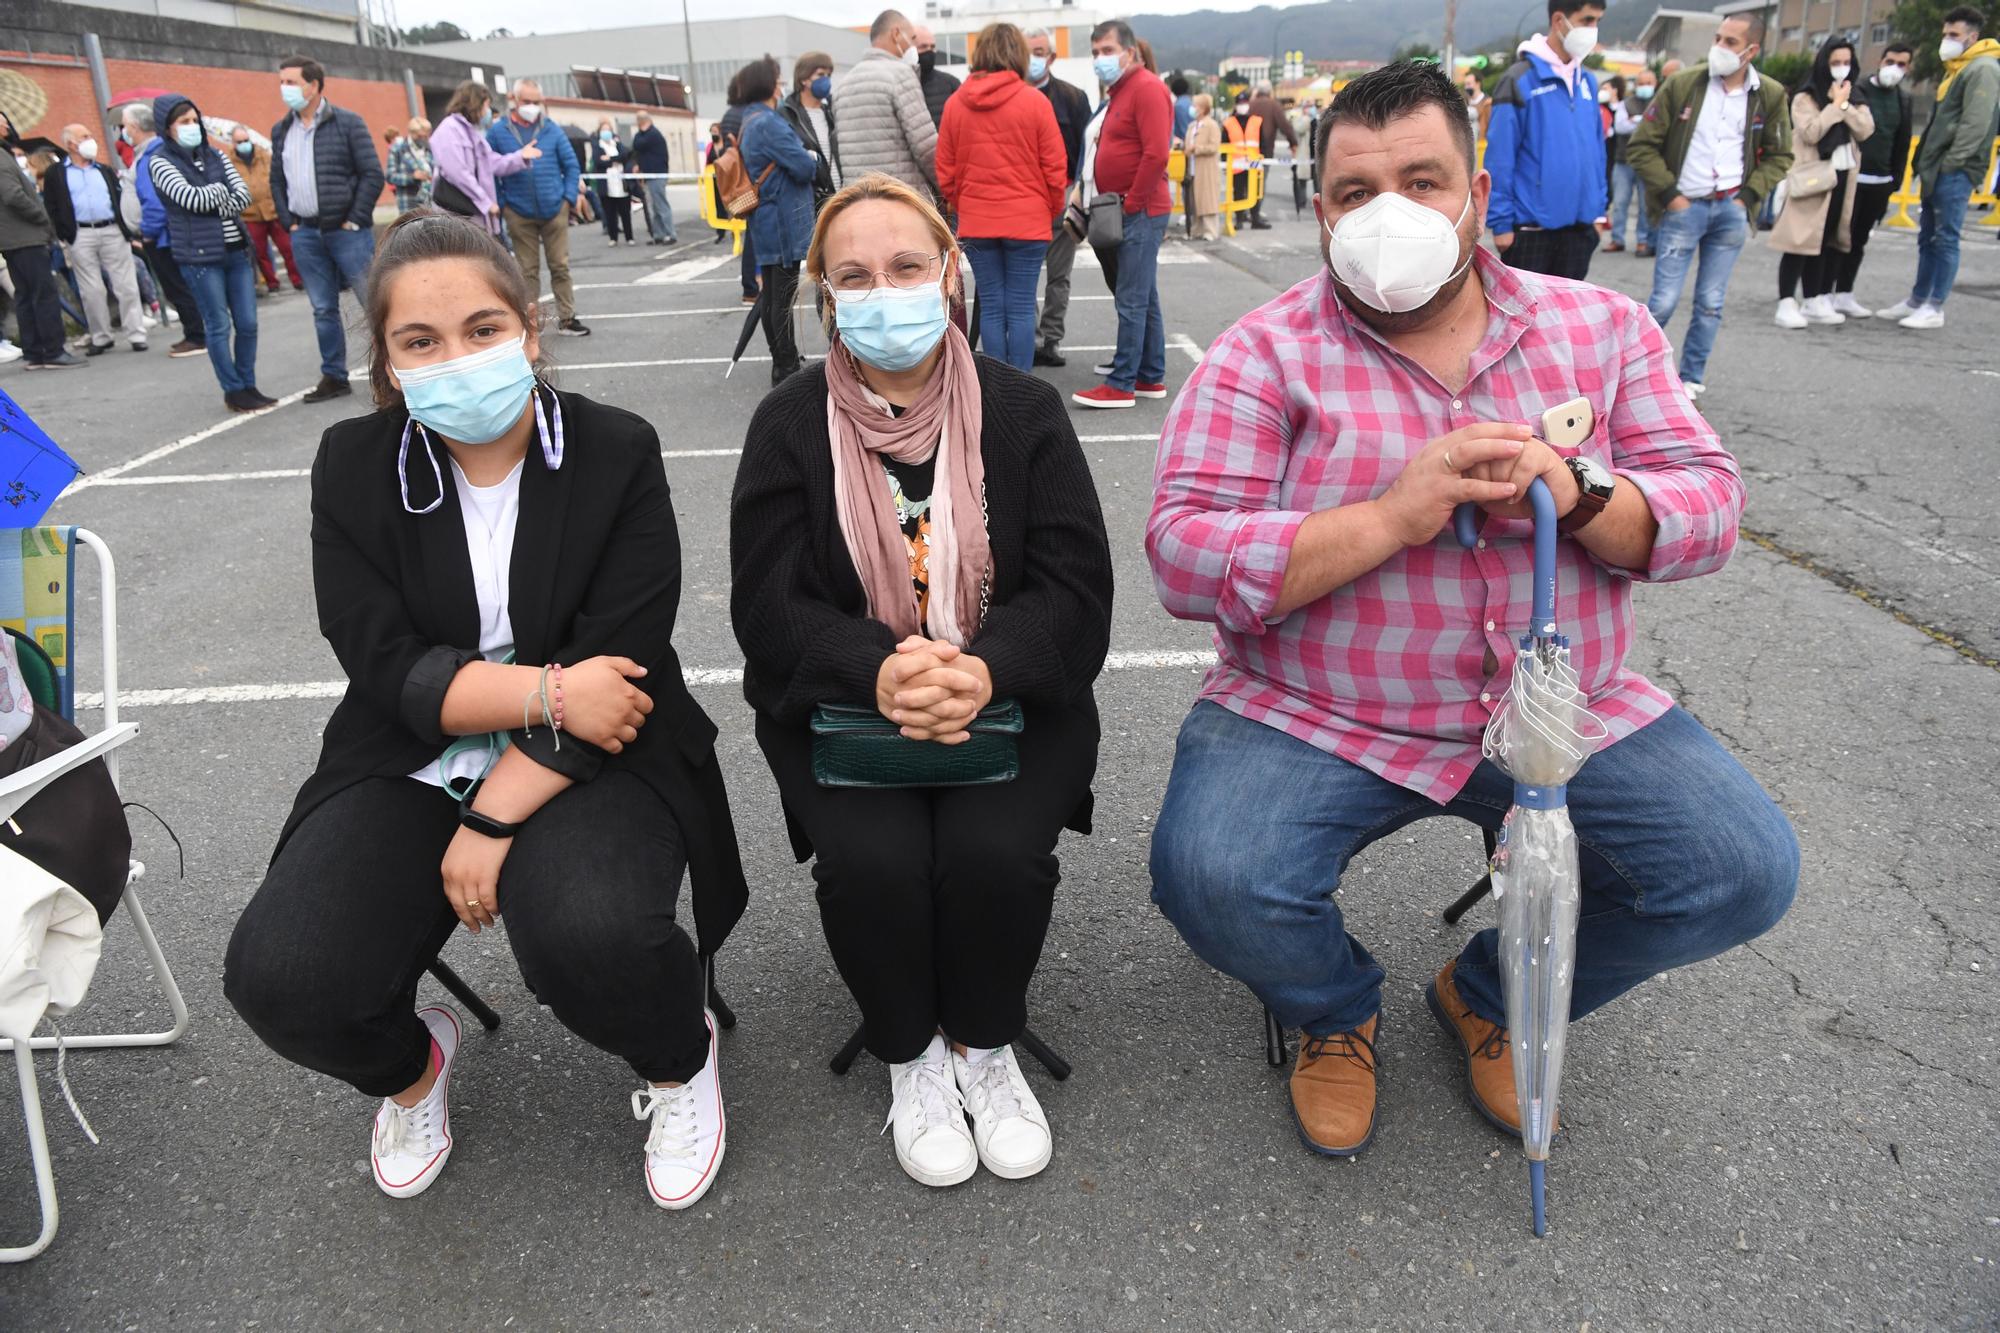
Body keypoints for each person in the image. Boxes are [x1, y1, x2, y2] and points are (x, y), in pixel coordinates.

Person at [1145, 60, 1798, 1163]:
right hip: (1316, 709)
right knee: (1211, 875)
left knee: (1736, 870)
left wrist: (1583, 492)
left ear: (1477, 196)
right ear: (1320, 212)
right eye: (1355, 193)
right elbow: (1185, 555)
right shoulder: (1261, 354)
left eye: (1420, 179)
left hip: (1560, 705)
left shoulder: (1600, 328)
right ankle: (1332, 1009)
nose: (1387, 214)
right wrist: (1389, 516)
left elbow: (1709, 509)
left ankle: (1489, 990)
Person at [224, 209, 749, 1211]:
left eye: (480, 329)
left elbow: (623, 660)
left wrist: (493, 815)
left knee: (589, 935)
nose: (455, 358)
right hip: (420, 742)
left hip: (602, 744)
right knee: (282, 978)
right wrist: (549, 689)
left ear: (528, 328)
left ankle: (680, 1061)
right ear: (386, 359)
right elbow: (382, 663)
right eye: (418, 341)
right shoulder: (352, 465)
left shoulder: (614, 450)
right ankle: (414, 1068)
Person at [730, 175, 1111, 1189]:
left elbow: (1077, 593)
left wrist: (981, 670)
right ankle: (910, 1054)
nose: (884, 290)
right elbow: (765, 611)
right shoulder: (784, 424)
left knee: (994, 856)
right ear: (823, 297)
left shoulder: (1025, 409)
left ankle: (982, 1047)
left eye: (905, 265)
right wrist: (878, 665)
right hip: (843, 705)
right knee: (873, 867)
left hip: (1012, 694)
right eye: (853, 274)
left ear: (948, 270)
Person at [1627, 16, 1792, 400]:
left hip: (1731, 208)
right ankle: (1633, 373)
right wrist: (1672, 195)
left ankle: (1691, 379)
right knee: (1663, 301)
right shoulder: (1683, 84)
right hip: (1685, 207)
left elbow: (1781, 154)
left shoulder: (1768, 94)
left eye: (1730, 41)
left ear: (1751, 51)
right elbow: (1641, 145)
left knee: (1710, 303)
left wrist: (1748, 197)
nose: (1718, 46)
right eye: (1717, 37)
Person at [937, 23, 1066, 372]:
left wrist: (960, 202)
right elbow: (1056, 167)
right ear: (1019, 55)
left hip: (978, 220)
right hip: (1028, 219)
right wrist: (1051, 207)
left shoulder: (955, 105)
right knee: (1022, 306)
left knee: (992, 303)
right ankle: (1021, 386)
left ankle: (995, 387)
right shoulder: (1035, 102)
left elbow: (944, 170)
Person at [269, 55, 385, 403]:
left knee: (374, 303)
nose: (284, 89)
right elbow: (277, 179)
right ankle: (334, 376)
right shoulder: (282, 130)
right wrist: (287, 220)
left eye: (291, 82)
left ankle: (392, 372)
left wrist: (355, 217)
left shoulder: (347, 123)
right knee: (322, 309)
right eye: (282, 82)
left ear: (315, 85)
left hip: (346, 232)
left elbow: (371, 173)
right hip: (305, 232)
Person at [1877, 7, 1999, 330]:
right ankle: (1918, 299)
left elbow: (1976, 123)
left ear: (1972, 37)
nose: (1946, 40)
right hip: (1937, 168)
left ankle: (1934, 306)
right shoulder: (1958, 68)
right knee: (1928, 237)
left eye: (1953, 35)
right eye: (1945, 34)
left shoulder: (1982, 68)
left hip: (1953, 170)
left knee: (1945, 239)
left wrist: (1952, 163)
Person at [1073, 19, 1173, 410]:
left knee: (1130, 299)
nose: (1101, 58)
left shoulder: (1146, 88)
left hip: (1140, 210)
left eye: (1108, 50)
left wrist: (1132, 202)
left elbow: (1156, 153)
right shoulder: (1122, 91)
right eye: (1096, 52)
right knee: (1142, 297)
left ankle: (1122, 383)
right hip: (1132, 207)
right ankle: (1149, 375)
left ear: (1130, 52)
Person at [149, 94, 272, 411]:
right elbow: (190, 200)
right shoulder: (161, 161)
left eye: (194, 120)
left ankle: (248, 383)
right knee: (218, 325)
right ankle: (233, 390)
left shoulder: (215, 155)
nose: (192, 127)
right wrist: (218, 193)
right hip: (200, 257)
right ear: (168, 127)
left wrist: (214, 198)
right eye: (184, 122)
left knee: (247, 323)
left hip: (235, 251)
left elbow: (242, 195)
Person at [1486, 0, 1608, 279]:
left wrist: (1598, 212)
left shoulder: (1587, 81)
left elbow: (1597, 152)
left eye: (1597, 22)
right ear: (1558, 21)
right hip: (1531, 231)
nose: (1593, 30)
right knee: (1528, 320)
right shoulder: (1519, 79)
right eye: (1587, 20)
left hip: (1579, 230)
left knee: (1567, 320)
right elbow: (1501, 157)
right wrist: (1501, 222)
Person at [1770, 38, 1874, 330]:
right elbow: (1811, 132)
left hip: (1843, 176)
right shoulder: (1806, 96)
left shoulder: (1857, 95)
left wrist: (1845, 105)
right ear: (1823, 64)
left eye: (1846, 63)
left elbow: (1866, 129)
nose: (1841, 69)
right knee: (1799, 240)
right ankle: (1786, 301)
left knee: (1827, 240)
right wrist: (1835, 106)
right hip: (1812, 177)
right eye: (1835, 62)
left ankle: (1815, 298)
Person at [486, 79, 589, 338]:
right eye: (526, 101)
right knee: (526, 271)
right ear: (515, 100)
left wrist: (566, 198)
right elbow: (488, 168)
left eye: (535, 102)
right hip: (518, 211)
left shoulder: (552, 130)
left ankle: (567, 318)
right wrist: (503, 202)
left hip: (554, 209)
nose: (531, 107)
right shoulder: (499, 132)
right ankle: (529, 325)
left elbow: (571, 165)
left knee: (560, 266)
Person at [737, 57, 817, 385]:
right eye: (778, 79)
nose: (782, 84)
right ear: (769, 85)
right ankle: (785, 364)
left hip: (765, 217)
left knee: (771, 293)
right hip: (782, 216)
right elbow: (803, 166)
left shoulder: (749, 120)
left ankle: (781, 357)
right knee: (781, 295)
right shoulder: (769, 123)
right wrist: (811, 158)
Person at [44, 124, 147, 353]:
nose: (91, 140)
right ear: (71, 144)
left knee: (126, 284)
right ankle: (101, 337)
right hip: (80, 233)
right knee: (91, 290)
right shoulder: (57, 173)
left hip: (112, 230)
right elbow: (51, 205)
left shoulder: (104, 170)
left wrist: (127, 229)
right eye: (85, 136)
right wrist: (63, 233)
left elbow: (118, 197)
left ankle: (136, 333)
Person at [1023, 25, 1092, 368]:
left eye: (1039, 52)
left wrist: (1079, 193)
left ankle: (1051, 340)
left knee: (1059, 277)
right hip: (1025, 198)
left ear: (1051, 57)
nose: (1033, 59)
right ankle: (1031, 339)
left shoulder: (1074, 97)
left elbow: (1085, 150)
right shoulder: (1014, 96)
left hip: (1064, 195)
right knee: (1025, 275)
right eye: (1028, 52)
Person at [1837, 44, 1916, 316]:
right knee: (1839, 237)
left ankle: (1845, 293)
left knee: (1858, 241)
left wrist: (1895, 180)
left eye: (1902, 64)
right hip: (1851, 176)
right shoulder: (1859, 89)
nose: (1894, 68)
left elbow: (1902, 142)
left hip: (1880, 181)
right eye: (1891, 61)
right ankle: (1822, 291)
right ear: (1880, 60)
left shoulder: (1903, 99)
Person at [123, 104, 204, 359]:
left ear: (135, 127)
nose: (124, 131)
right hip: (168, 232)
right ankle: (196, 332)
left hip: (161, 235)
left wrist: (147, 231)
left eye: (125, 126)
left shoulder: (151, 156)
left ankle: (196, 335)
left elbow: (154, 200)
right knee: (182, 285)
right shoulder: (156, 152)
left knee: (177, 286)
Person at [833, 11, 940, 199]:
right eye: (913, 38)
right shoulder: (901, 75)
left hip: (858, 199)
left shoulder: (845, 83)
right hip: (900, 197)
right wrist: (945, 188)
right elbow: (926, 147)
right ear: (896, 34)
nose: (913, 45)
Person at [1, 141, 80, 370]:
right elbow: (12, 195)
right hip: (25, 236)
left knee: (25, 295)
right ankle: (53, 350)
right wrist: (41, 216)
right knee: (43, 293)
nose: (4, 123)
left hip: (14, 238)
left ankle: (35, 352)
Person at [429, 81, 537, 240]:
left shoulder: (472, 132)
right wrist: (485, 202)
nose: (488, 112)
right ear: (475, 104)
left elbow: (492, 163)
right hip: (458, 211)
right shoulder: (449, 130)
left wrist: (520, 157)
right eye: (486, 106)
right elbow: (458, 173)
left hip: (472, 212)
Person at [231, 126, 304, 295]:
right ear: (233, 143)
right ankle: (272, 283)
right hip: (251, 215)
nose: (244, 144)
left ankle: (297, 279)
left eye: (245, 140)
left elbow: (278, 179)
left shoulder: (264, 155)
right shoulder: (229, 161)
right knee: (260, 252)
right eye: (239, 142)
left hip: (272, 210)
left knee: (287, 247)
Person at [779, 52, 843, 211]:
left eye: (829, 75)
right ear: (803, 79)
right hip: (812, 202)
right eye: (820, 74)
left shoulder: (833, 109)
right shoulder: (787, 114)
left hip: (842, 195)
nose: (826, 79)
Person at [1604, 69, 1655, 254]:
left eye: (1648, 83)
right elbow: (1621, 127)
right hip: (1623, 160)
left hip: (1646, 162)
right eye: (1641, 83)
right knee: (1620, 202)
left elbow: (1657, 127)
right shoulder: (1627, 103)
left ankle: (1643, 240)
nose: (1645, 87)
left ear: (1655, 84)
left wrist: (1636, 121)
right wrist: (1644, 122)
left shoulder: (1658, 102)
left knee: (1645, 205)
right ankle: (1617, 239)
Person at [720, 77, 762, 304]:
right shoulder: (745, 114)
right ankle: (752, 285)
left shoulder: (730, 114)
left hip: (738, 182)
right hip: (750, 180)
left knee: (752, 234)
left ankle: (751, 284)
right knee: (756, 235)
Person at [1247, 84, 1298, 229]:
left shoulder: (1250, 105)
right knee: (1259, 184)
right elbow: (1285, 126)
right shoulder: (1273, 105)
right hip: (1265, 152)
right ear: (1270, 93)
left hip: (1246, 152)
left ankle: (1244, 212)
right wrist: (1293, 143)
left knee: (1246, 184)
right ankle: (1255, 214)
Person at [629, 110, 678, 244]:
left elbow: (638, 144)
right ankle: (658, 234)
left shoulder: (653, 135)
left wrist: (640, 133)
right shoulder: (645, 135)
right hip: (649, 175)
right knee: (654, 207)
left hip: (657, 174)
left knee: (661, 205)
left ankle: (670, 233)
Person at [1222, 91, 1263, 227]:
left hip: (1254, 163)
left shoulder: (1257, 121)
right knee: (1238, 193)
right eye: (1240, 103)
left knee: (1255, 193)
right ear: (1236, 105)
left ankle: (1255, 219)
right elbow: (1224, 144)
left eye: (1244, 103)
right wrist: (1224, 163)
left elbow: (1263, 142)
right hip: (1237, 164)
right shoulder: (1228, 123)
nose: (1242, 106)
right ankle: (1239, 220)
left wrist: (1264, 159)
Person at [591, 120, 634, 247]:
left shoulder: (618, 144)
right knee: (610, 212)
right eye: (604, 130)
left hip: (621, 183)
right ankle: (613, 237)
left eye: (608, 129)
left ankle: (629, 237)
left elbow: (624, 156)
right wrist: (613, 161)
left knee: (625, 211)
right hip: (607, 184)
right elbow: (598, 162)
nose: (606, 132)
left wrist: (610, 158)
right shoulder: (597, 146)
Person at [1188, 92, 1224, 241]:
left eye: (1195, 105)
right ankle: (1196, 229)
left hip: (1206, 168)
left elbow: (1214, 146)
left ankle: (1210, 230)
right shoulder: (1192, 126)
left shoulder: (1211, 125)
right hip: (1192, 167)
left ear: (1203, 108)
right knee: (1194, 198)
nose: (1192, 108)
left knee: (1207, 199)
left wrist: (1197, 148)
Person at [913, 25, 961, 128]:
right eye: (923, 47)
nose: (929, 51)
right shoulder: (901, 85)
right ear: (911, 50)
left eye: (932, 47)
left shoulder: (951, 84)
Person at [386, 118, 433, 214]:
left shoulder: (429, 147)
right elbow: (389, 176)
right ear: (412, 134)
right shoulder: (398, 149)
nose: (424, 139)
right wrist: (413, 177)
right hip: (408, 204)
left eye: (426, 136)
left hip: (431, 202)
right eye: (421, 136)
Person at [1462, 72, 1493, 143]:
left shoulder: (1488, 104)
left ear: (1478, 84)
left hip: (1482, 146)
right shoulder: (1464, 103)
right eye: (1465, 84)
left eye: (1469, 84)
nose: (1466, 87)